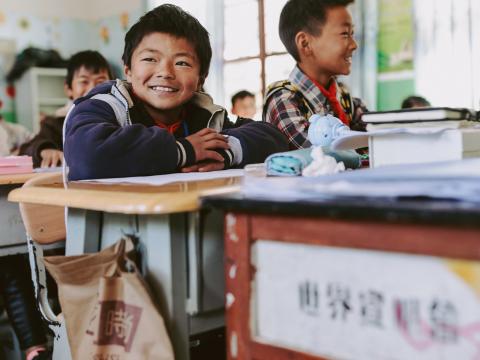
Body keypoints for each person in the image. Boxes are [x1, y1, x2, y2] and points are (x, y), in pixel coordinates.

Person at [63, 4, 288, 180]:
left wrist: (224, 152)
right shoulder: (105, 106)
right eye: (150, 59)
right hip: (115, 233)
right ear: (128, 71)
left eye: (182, 63)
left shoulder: (205, 117)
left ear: (201, 79)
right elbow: (87, 155)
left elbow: (273, 139)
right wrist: (184, 150)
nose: (165, 72)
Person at [263, 0, 367, 150]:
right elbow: (323, 156)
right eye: (344, 34)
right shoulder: (284, 100)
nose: (354, 45)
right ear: (305, 43)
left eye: (352, 34)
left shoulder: (348, 102)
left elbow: (377, 144)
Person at [19, 50, 113, 168]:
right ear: (68, 89)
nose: (93, 89)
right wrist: (44, 150)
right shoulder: (56, 123)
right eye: (84, 81)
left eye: (101, 81)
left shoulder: (120, 118)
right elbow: (27, 150)